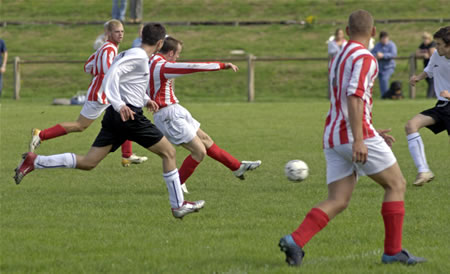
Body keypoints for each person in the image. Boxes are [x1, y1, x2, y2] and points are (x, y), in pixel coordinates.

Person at [279, 9, 425, 267]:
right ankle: (393, 252)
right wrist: (360, 138)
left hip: (333, 136)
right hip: (354, 135)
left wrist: (369, 128)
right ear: (372, 32)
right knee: (397, 185)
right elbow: (355, 96)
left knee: (338, 199)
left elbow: (349, 100)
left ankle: (295, 240)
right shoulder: (366, 58)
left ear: (347, 31)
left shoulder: (338, 56)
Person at [14, 23, 205, 219]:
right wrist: (119, 104)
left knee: (89, 162)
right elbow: (110, 77)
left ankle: (35, 161)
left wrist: (146, 99)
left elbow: (125, 82)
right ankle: (178, 205)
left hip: (117, 117)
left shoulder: (131, 53)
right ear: (160, 43)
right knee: (169, 153)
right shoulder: (138, 57)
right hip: (129, 116)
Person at [149, 36, 261, 193]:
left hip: (175, 109)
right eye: (178, 53)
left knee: (206, 140)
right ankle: (176, 186)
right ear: (171, 52)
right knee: (199, 151)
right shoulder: (163, 66)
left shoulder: (151, 59)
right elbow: (193, 66)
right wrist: (222, 65)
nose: (178, 57)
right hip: (168, 115)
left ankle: (237, 167)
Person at [29, 20, 147, 167]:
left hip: (105, 92)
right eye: (117, 32)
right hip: (101, 94)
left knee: (125, 117)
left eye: (122, 31)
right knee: (80, 125)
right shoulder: (109, 49)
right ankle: (41, 135)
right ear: (108, 33)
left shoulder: (106, 48)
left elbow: (88, 66)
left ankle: (127, 155)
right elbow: (108, 71)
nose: (121, 34)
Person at [406, 26, 450, 186]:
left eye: (438, 44)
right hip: (442, 106)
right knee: (411, 125)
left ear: (448, 45)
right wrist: (417, 77)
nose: (435, 47)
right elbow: (429, 70)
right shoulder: (437, 56)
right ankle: (423, 171)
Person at [371, 31, 397, 97]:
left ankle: (385, 96)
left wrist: (383, 55)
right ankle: (384, 96)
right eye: (383, 38)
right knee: (381, 82)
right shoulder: (377, 45)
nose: (385, 40)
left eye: (386, 38)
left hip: (389, 67)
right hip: (380, 68)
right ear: (380, 39)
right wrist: (376, 55)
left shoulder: (391, 45)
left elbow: (393, 54)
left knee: (384, 79)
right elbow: (371, 53)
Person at [415, 32, 437, 98]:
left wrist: (426, 53)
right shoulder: (423, 45)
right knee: (428, 80)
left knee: (431, 81)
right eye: (424, 39)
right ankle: (434, 96)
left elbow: (432, 54)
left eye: (426, 39)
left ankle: (429, 96)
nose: (425, 40)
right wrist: (423, 54)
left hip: (433, 66)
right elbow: (417, 53)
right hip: (426, 65)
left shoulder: (433, 44)